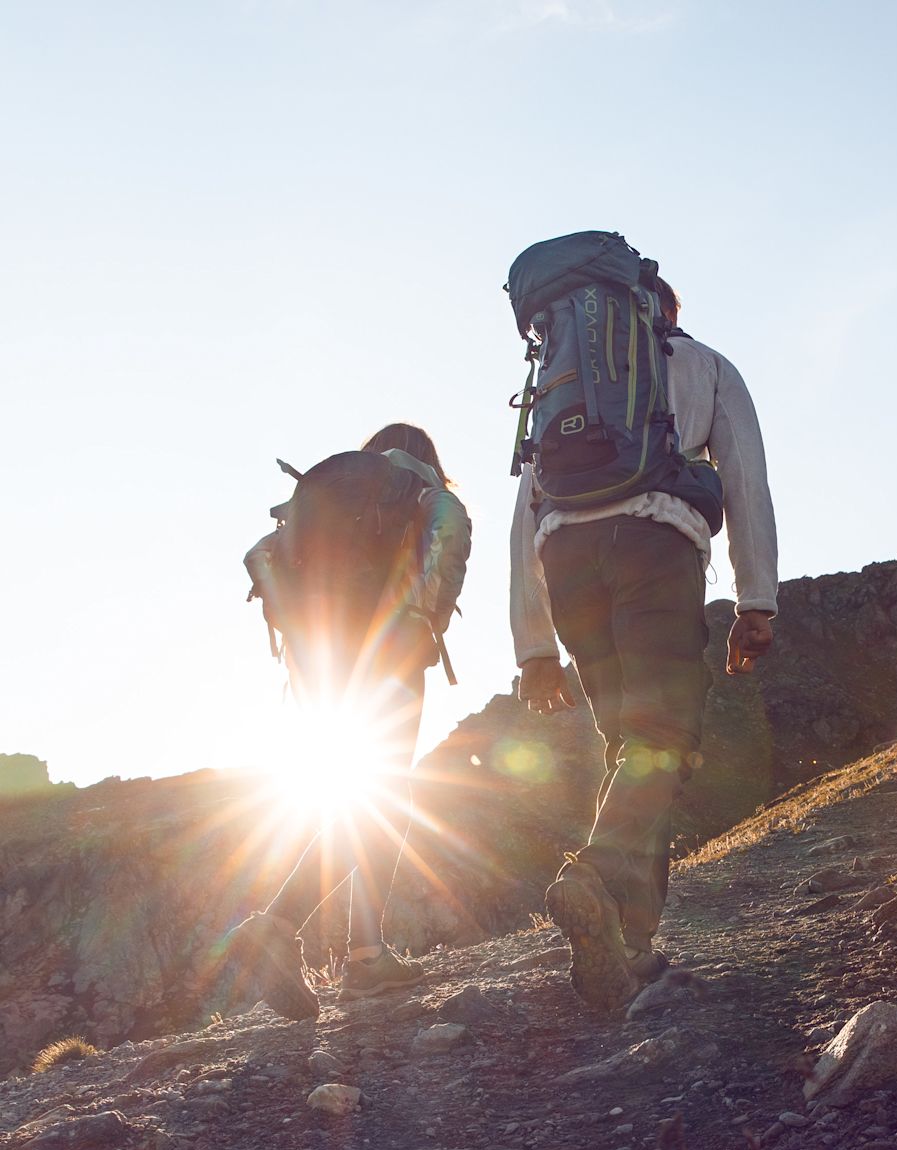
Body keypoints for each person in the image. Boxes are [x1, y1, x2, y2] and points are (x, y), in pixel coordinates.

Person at [510, 273, 778, 1013]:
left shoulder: (559, 378)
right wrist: (756, 600)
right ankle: (597, 874)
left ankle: (630, 943)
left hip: (566, 556)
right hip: (654, 545)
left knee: (633, 746)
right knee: (662, 737)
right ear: (664, 310)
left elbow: (526, 505)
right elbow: (746, 478)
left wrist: (533, 648)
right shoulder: (704, 365)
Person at [223, 423, 472, 1019]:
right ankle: (301, 933)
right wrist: (424, 618)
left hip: (317, 660)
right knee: (383, 801)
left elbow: (258, 554)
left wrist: (293, 626)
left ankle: (358, 954)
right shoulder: (420, 488)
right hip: (387, 652)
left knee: (361, 802)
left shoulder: (330, 498)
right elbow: (453, 528)